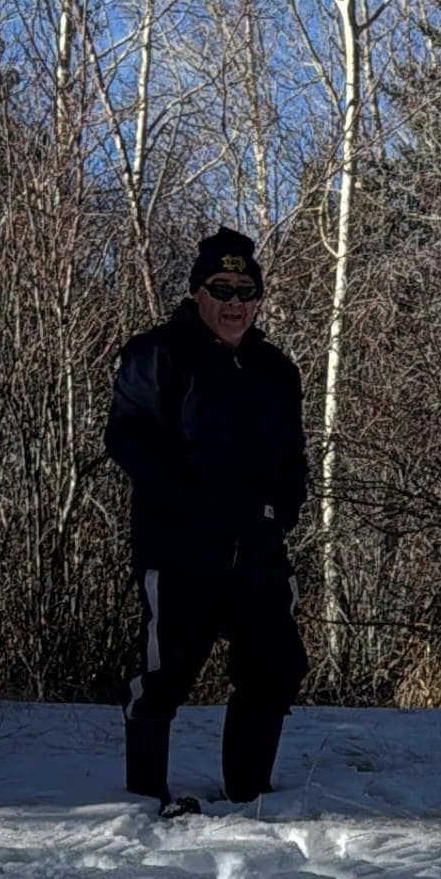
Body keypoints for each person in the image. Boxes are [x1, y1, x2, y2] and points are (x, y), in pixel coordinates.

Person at [106, 230, 310, 816]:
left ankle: (249, 796)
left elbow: (294, 461)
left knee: (274, 668)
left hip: (258, 552)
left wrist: (279, 515)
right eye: (221, 289)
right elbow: (127, 436)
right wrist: (187, 502)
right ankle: (145, 800)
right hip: (180, 549)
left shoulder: (276, 370)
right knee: (164, 673)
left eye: (246, 290)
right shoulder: (158, 353)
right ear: (197, 293)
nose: (234, 302)